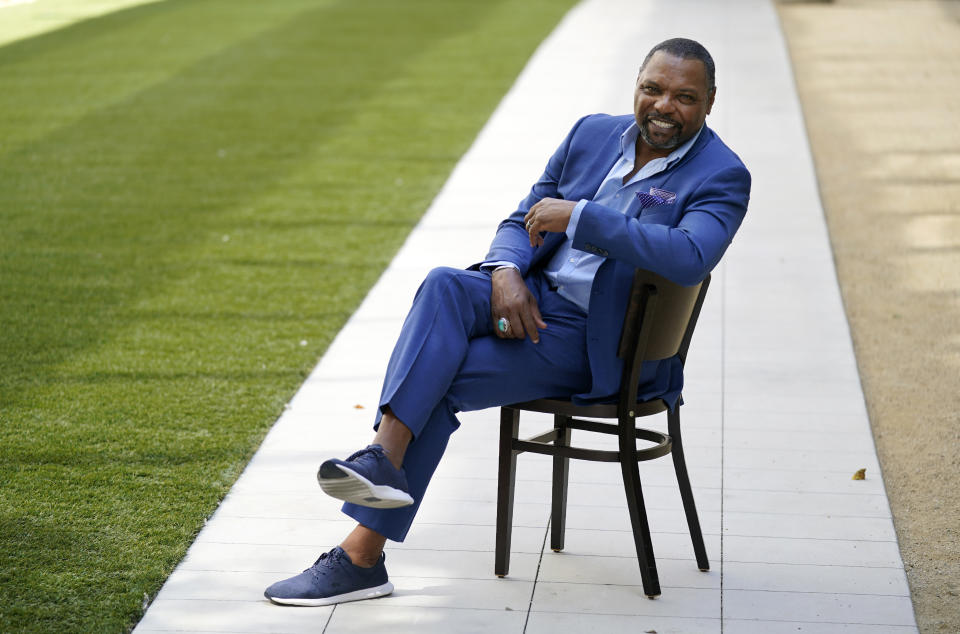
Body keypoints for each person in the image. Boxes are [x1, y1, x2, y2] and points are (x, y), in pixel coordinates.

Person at [264, 37, 750, 606]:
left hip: (600, 342)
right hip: (533, 296)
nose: (664, 105)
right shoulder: (591, 134)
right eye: (653, 89)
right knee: (446, 281)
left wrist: (582, 217)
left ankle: (362, 551)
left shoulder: (722, 175)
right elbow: (523, 217)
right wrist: (505, 272)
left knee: (436, 379)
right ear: (637, 86)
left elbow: (691, 256)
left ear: (711, 101)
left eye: (684, 96)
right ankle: (381, 463)